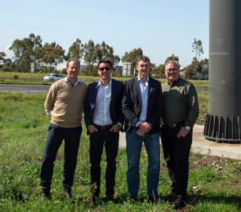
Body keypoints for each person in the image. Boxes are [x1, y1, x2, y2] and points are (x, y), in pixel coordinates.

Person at [40, 59, 87, 200]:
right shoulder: (57, 85)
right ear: (67, 69)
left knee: (70, 160)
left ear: (79, 70)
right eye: (72, 67)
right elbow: (47, 106)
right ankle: (45, 190)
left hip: (74, 129)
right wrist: (55, 116)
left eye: (76, 68)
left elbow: (86, 106)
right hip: (56, 128)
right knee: (48, 158)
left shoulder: (84, 87)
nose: (74, 70)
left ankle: (67, 189)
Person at [122, 55, 163, 202]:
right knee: (133, 164)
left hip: (151, 131)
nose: (144, 68)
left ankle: (152, 193)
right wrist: (139, 124)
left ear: (149, 67)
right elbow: (125, 108)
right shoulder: (129, 84)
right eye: (141, 65)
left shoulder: (156, 85)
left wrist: (148, 125)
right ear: (136, 67)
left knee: (154, 163)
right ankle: (133, 194)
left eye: (146, 65)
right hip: (134, 131)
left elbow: (159, 108)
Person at [84, 59, 124, 201]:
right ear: (98, 71)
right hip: (96, 131)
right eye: (101, 69)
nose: (104, 71)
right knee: (95, 163)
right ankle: (94, 193)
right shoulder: (92, 87)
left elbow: (122, 107)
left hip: (112, 130)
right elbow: (87, 108)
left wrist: (119, 123)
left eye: (107, 68)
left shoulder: (119, 86)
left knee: (111, 163)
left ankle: (109, 194)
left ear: (112, 70)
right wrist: (88, 124)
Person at [160, 60, 199, 209]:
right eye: (169, 70)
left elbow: (194, 108)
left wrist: (187, 126)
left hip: (182, 130)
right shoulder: (162, 87)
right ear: (165, 72)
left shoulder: (187, 86)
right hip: (166, 130)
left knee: (181, 162)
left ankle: (181, 195)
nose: (171, 72)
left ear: (179, 70)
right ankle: (175, 189)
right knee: (169, 160)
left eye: (174, 69)